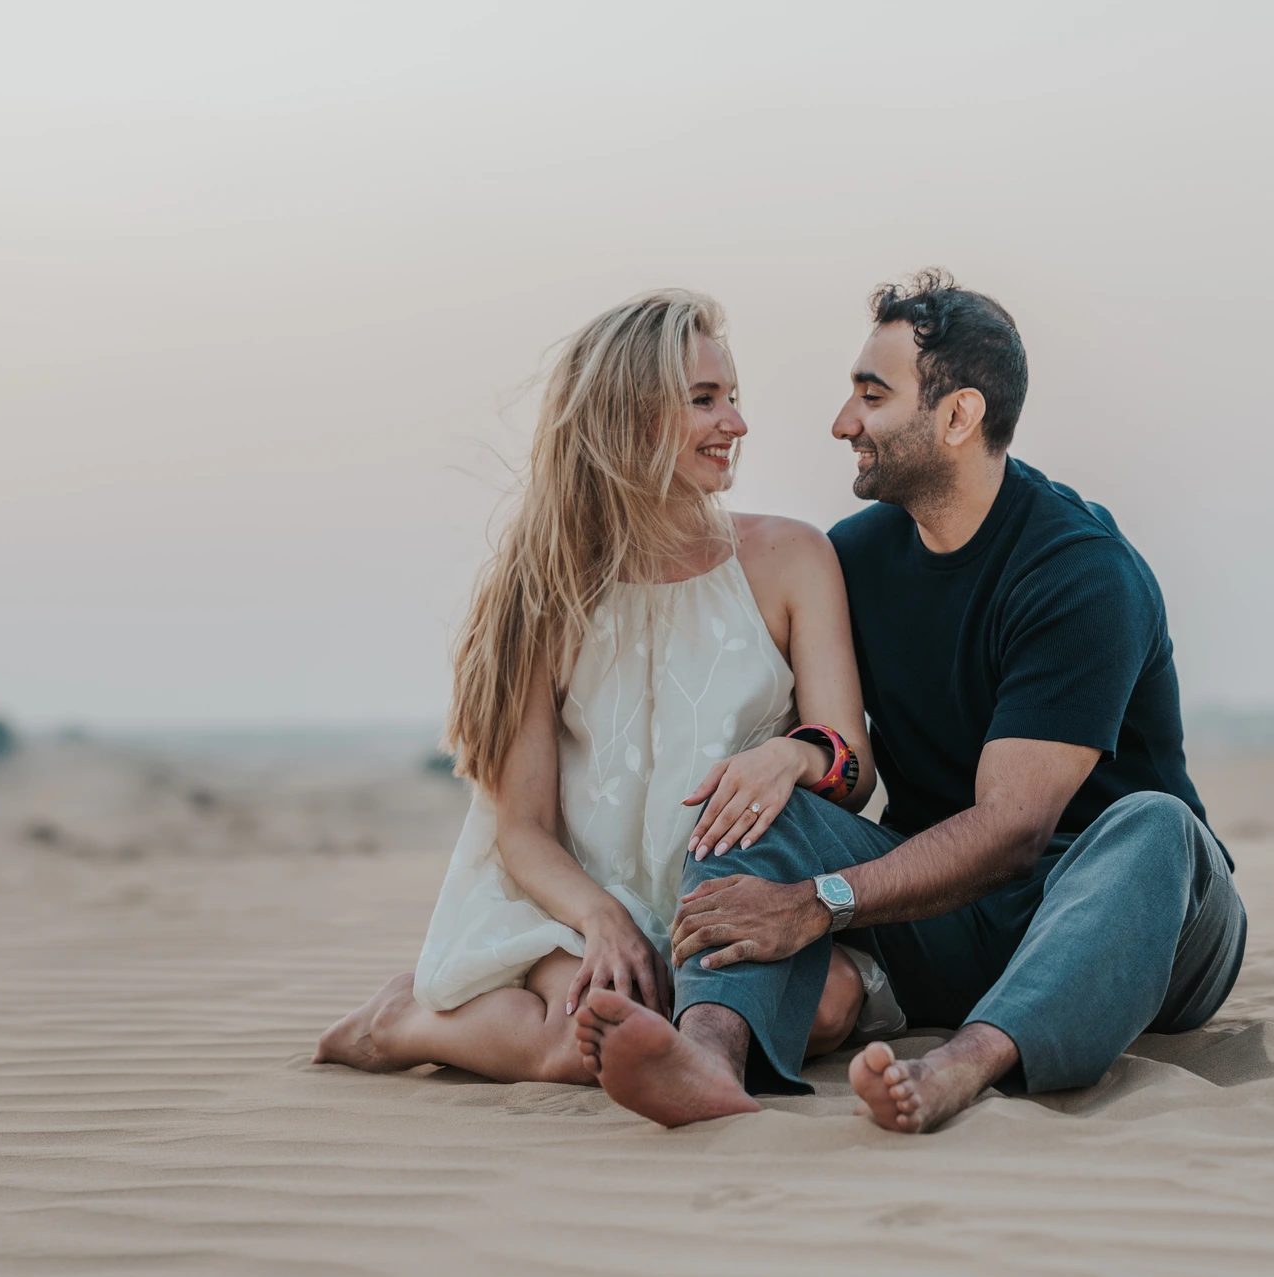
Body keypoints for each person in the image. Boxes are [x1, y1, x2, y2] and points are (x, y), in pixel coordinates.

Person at [574, 270, 1247, 1132]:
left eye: (871, 394)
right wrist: (792, 756)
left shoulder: (1080, 572)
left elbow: (1013, 833)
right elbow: (829, 742)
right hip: (949, 915)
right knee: (751, 805)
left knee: (1156, 825)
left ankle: (967, 1062)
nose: (842, 421)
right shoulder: (853, 559)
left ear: (958, 417)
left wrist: (819, 904)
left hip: (1135, 925)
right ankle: (708, 1051)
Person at [315, 290, 887, 1084]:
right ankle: (403, 1018)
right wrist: (602, 919)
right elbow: (523, 829)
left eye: (734, 398)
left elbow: (850, 770)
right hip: (570, 901)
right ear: (631, 417)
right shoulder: (543, 592)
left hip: (726, 902)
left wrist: (794, 759)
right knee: (580, 1042)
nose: (737, 424)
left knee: (824, 1008)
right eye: (704, 400)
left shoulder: (792, 558)